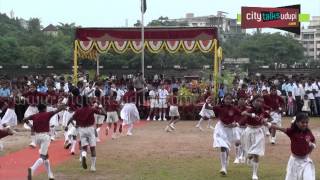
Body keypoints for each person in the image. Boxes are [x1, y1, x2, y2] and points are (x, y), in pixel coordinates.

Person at [269, 113, 316, 180]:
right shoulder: (292, 132)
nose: (305, 124)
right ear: (297, 123)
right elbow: (280, 128)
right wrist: (269, 125)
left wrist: (311, 147)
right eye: (302, 122)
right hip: (294, 161)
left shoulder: (308, 132)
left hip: (306, 161)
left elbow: (313, 140)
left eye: (306, 122)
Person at [24, 103, 65, 180]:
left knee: (46, 156)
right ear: (44, 109)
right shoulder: (47, 114)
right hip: (45, 137)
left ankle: (50, 175)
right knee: (43, 156)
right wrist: (62, 107)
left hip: (36, 137)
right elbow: (56, 111)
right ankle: (32, 168)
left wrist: (31, 126)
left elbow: (25, 119)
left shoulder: (35, 115)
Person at [66, 96, 107, 172]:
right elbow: (104, 114)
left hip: (82, 130)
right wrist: (101, 107)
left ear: (81, 102)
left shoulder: (78, 111)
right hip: (90, 129)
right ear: (88, 102)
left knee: (84, 147)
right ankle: (93, 166)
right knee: (92, 148)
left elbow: (71, 119)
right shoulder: (91, 109)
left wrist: (67, 126)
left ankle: (84, 156)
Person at [241, 95, 271, 180]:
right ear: (253, 101)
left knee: (256, 153)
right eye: (258, 101)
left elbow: (270, 118)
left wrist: (265, 121)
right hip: (249, 131)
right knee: (249, 153)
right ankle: (248, 156)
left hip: (259, 132)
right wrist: (251, 115)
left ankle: (254, 174)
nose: (259, 103)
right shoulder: (249, 109)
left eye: (261, 101)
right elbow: (243, 113)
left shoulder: (263, 111)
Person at [212, 93, 240, 176]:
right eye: (226, 99)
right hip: (221, 128)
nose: (228, 100)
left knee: (227, 148)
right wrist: (207, 102)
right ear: (223, 99)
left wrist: (237, 123)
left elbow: (242, 116)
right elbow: (210, 108)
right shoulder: (219, 107)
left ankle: (227, 158)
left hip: (230, 130)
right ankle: (223, 167)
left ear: (232, 100)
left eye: (230, 99)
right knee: (223, 147)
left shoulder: (234, 109)